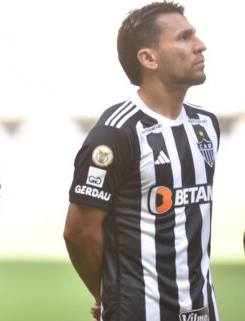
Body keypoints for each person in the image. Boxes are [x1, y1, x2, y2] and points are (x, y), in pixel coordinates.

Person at [64, 2, 219, 321]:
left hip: (204, 310)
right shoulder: (115, 133)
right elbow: (79, 233)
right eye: (184, 37)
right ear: (148, 58)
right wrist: (107, 293)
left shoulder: (206, 125)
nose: (200, 45)